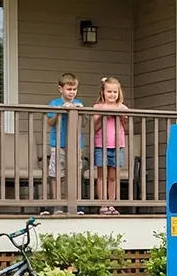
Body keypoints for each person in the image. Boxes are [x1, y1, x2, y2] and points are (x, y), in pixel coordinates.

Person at [43, 72, 83, 215]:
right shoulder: (54, 103)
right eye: (69, 89)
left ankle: (74, 207)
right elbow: (50, 122)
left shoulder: (79, 103)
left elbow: (83, 124)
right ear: (61, 89)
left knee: (74, 174)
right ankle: (58, 205)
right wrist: (60, 111)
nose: (72, 92)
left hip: (75, 144)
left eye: (74, 89)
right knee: (56, 175)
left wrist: (78, 111)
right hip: (58, 144)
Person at [91, 77, 129, 215]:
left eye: (115, 92)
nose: (112, 94)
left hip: (117, 145)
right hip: (101, 144)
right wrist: (104, 115)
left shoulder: (122, 107)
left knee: (113, 176)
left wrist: (122, 116)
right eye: (109, 91)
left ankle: (112, 204)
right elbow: (94, 127)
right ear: (103, 92)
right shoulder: (97, 107)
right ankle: (102, 204)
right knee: (101, 175)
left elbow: (127, 126)